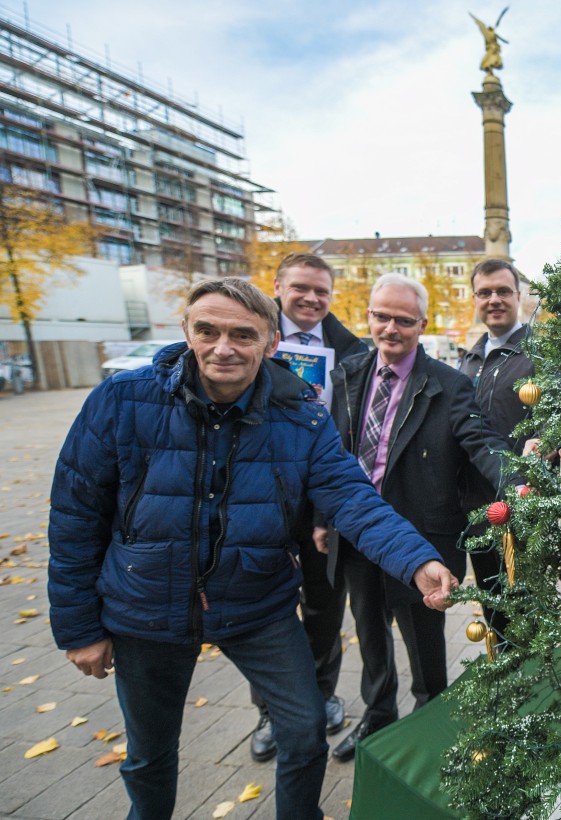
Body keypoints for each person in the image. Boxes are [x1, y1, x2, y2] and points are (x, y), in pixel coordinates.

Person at [48, 277, 456, 820]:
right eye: (208, 330)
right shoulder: (122, 401)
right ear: (187, 331)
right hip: (146, 605)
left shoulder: (302, 416)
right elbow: (75, 518)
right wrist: (80, 628)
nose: (223, 347)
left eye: (243, 334)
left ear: (270, 343)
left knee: (304, 729)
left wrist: (418, 559)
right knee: (148, 756)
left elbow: (353, 498)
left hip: (256, 601)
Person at [325, 274, 507, 762]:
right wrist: (325, 518)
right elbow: (331, 453)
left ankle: (432, 725)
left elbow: (481, 443)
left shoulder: (450, 385)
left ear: (422, 325)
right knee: (369, 632)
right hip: (356, 534)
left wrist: (519, 477)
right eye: (381, 316)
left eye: (403, 320)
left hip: (422, 542)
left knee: (424, 646)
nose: (390, 328)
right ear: (368, 317)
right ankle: (378, 716)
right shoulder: (347, 375)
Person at [249, 251, 368, 763]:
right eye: (300, 288)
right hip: (258, 497)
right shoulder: (250, 337)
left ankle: (322, 694)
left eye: (321, 291)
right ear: (277, 287)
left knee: (323, 604)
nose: (311, 299)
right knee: (263, 606)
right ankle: (272, 710)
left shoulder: (352, 352)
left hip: (321, 501)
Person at [459, 258, 535, 642]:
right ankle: (506, 686)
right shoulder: (468, 360)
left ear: (518, 296)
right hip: (477, 512)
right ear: (475, 298)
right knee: (494, 613)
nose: (494, 299)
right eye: (485, 292)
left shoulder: (540, 356)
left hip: (522, 512)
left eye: (503, 291)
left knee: (528, 615)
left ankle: (533, 691)